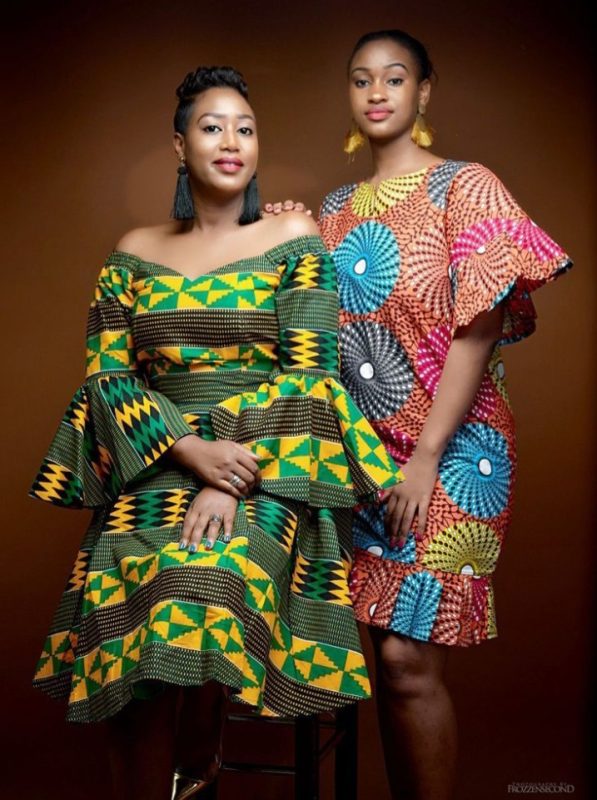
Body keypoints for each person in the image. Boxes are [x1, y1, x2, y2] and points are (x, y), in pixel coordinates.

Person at [29, 65, 401, 800]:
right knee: (122, 588)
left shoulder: (292, 236)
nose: (231, 141)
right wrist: (189, 451)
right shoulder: (132, 250)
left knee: (198, 576)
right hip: (157, 464)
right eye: (211, 127)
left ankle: (198, 745)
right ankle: (161, 776)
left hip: (268, 467)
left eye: (245, 128)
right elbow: (107, 378)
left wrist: (228, 479)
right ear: (179, 144)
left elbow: (309, 375)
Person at [268, 29, 572, 800]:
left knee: (407, 661)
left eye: (394, 77)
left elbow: (478, 327)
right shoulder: (334, 210)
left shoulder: (464, 186)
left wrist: (427, 457)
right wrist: (282, 232)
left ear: (423, 90)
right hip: (360, 454)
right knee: (380, 656)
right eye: (360, 79)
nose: (376, 92)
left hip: (454, 446)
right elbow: (304, 326)